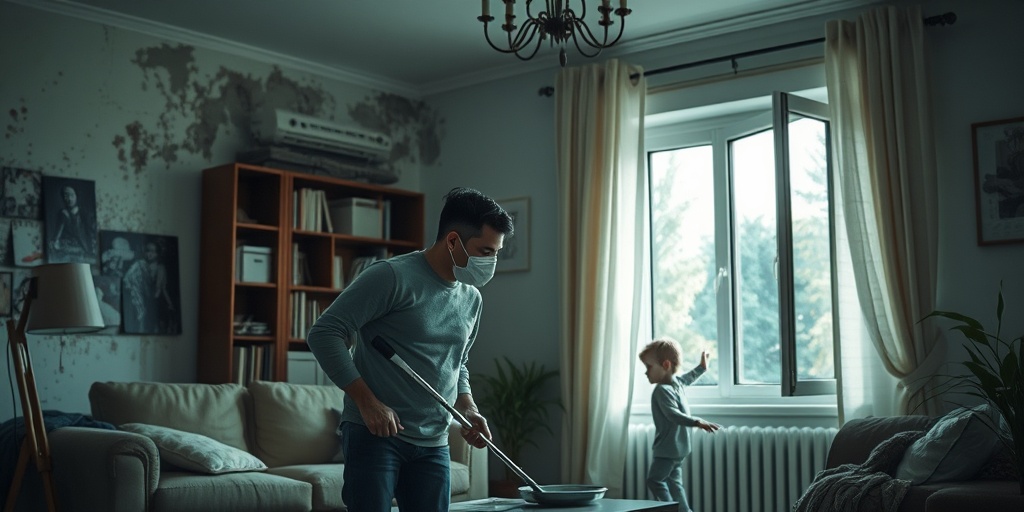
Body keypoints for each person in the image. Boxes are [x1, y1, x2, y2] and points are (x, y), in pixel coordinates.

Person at [307, 187, 514, 512]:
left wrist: (468, 407)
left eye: (496, 253)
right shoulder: (390, 276)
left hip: (434, 442)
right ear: (453, 241)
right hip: (374, 435)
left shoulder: (472, 298)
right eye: (485, 251)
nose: (491, 262)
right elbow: (324, 333)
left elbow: (458, 363)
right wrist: (367, 403)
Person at [639, 338, 722, 511]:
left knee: (655, 481)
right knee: (675, 483)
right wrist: (702, 368)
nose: (646, 373)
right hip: (680, 448)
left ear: (666, 365)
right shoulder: (677, 384)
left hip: (667, 449)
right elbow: (689, 378)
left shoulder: (662, 390)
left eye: (649, 367)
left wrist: (697, 422)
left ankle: (669, 509)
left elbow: (673, 415)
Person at [49, 184, 97, 262]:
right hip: (66, 246)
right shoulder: (62, 213)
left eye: (72, 195)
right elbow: (58, 232)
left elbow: (89, 232)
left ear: (76, 196)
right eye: (66, 196)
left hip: (82, 246)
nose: (69, 198)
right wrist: (55, 241)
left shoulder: (84, 213)